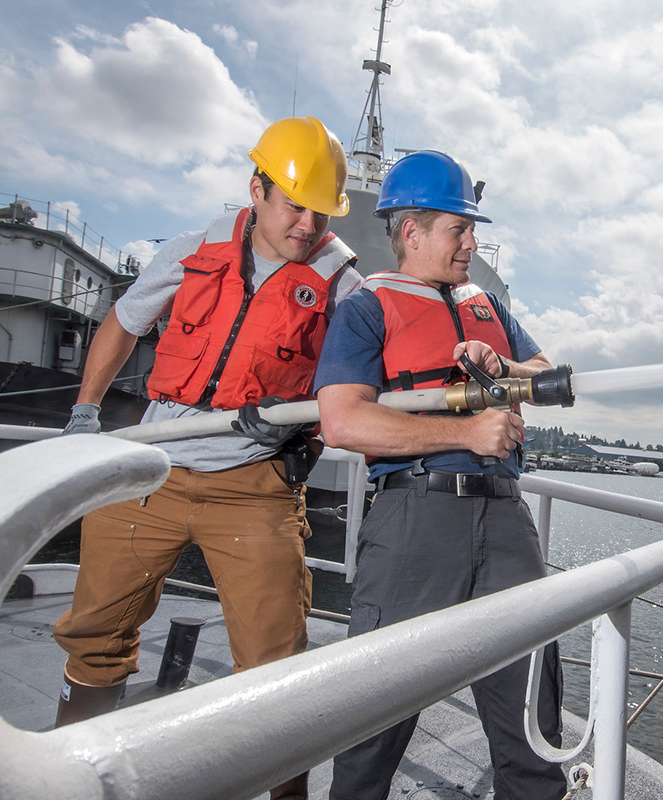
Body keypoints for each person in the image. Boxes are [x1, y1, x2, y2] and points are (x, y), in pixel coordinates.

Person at [52, 116, 361, 800]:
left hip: (253, 487)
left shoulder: (344, 288)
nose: (307, 226)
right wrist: (84, 414)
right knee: (97, 632)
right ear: (256, 189)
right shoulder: (191, 251)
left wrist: (302, 434)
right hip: (150, 468)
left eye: (320, 211)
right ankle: (75, 779)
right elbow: (125, 323)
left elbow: (356, 388)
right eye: (293, 204)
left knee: (274, 664)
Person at [315, 150, 568, 800]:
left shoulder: (486, 304)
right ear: (412, 232)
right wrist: (465, 431)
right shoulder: (367, 307)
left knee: (534, 725)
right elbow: (343, 421)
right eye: (459, 228)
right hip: (414, 522)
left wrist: (499, 366)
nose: (472, 242)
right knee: (371, 726)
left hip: (506, 522)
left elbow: (544, 379)